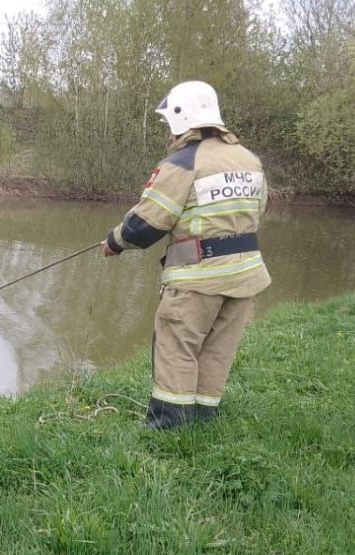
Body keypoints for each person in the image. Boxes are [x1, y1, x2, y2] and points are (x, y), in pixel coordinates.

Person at [102, 80, 271, 430]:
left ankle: (168, 429)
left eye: (168, 122)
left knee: (177, 346)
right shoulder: (249, 160)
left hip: (197, 278)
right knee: (217, 350)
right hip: (246, 277)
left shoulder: (184, 162)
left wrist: (114, 242)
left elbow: (147, 223)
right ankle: (202, 423)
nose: (168, 130)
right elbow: (259, 209)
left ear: (182, 117)